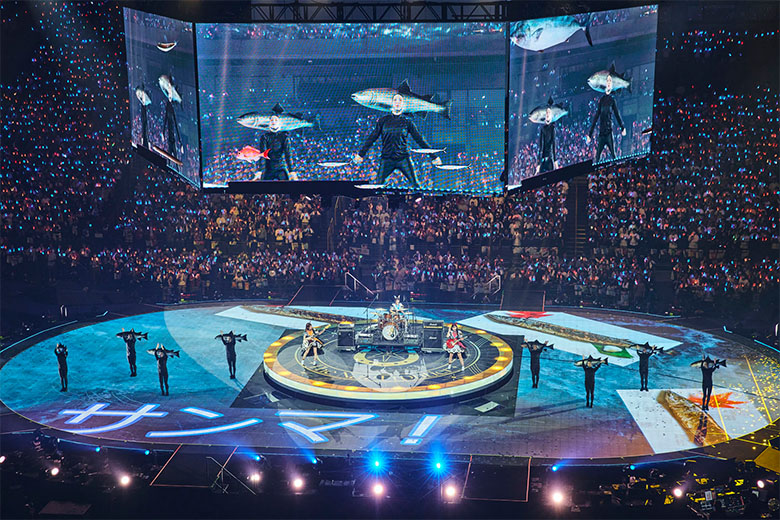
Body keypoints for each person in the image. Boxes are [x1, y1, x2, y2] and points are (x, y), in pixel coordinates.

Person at [354, 93, 442, 188]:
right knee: (378, 186)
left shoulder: (407, 122)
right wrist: (361, 154)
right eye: (395, 100)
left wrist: (434, 156)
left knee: (416, 185)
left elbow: (420, 140)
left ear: (403, 104)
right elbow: (372, 138)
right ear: (391, 103)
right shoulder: (383, 121)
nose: (397, 102)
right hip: (387, 159)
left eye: (400, 100)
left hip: (403, 158)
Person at [587, 74, 626, 161]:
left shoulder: (612, 100)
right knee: (597, 158)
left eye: (610, 81)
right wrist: (590, 134)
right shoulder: (601, 100)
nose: (608, 82)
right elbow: (596, 117)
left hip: (608, 133)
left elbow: (617, 114)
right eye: (607, 80)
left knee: (613, 156)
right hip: (601, 134)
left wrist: (622, 127)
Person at [255, 104, 297, 181]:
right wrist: (260, 170)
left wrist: (292, 171)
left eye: (276, 120)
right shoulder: (265, 137)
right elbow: (263, 154)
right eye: (271, 120)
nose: (273, 122)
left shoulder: (284, 137)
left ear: (279, 122)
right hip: (268, 168)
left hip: (281, 168)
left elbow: (288, 154)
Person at [536, 107, 559, 174]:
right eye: (546, 112)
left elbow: (553, 144)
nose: (547, 114)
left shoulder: (552, 128)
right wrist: (538, 163)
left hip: (550, 159)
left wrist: (555, 160)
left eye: (549, 112)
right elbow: (541, 146)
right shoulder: (542, 129)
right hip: (543, 160)